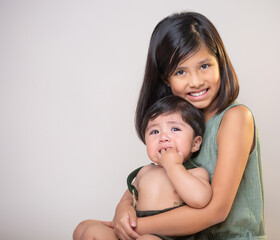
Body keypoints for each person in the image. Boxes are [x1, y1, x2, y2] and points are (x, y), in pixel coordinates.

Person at [110, 11, 267, 240]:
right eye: (181, 71)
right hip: (184, 237)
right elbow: (149, 179)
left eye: (204, 66)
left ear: (220, 63)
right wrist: (122, 209)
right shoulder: (177, 124)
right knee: (88, 229)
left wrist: (135, 226)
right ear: (166, 79)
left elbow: (216, 211)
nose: (195, 81)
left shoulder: (235, 118)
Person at [73, 95, 212, 240]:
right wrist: (122, 210)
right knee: (88, 230)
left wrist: (173, 166)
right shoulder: (145, 172)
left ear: (195, 143)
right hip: (134, 231)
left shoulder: (195, 173)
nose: (163, 137)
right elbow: (126, 199)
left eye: (175, 129)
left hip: (169, 236)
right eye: (154, 132)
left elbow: (200, 199)